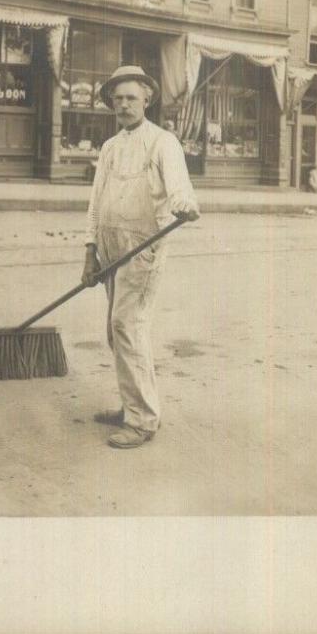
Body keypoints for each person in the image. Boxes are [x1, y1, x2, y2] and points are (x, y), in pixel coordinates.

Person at [81, 65, 200, 449]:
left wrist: (184, 206)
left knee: (127, 327)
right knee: (118, 332)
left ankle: (143, 421)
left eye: (131, 97)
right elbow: (96, 203)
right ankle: (132, 404)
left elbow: (180, 189)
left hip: (143, 247)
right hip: (111, 247)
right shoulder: (110, 147)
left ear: (147, 99)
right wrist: (90, 251)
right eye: (117, 99)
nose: (124, 104)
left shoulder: (163, 142)